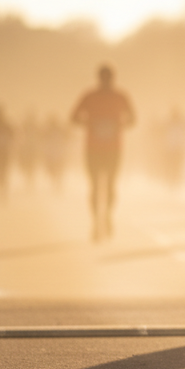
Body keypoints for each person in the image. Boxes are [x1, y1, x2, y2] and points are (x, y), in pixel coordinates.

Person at [71, 64, 135, 241]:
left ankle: (106, 215)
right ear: (99, 78)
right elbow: (74, 117)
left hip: (111, 148)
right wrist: (90, 124)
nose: (106, 81)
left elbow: (133, 119)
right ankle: (97, 220)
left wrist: (117, 125)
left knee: (109, 184)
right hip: (96, 148)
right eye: (104, 78)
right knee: (96, 185)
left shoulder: (119, 96)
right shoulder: (90, 96)